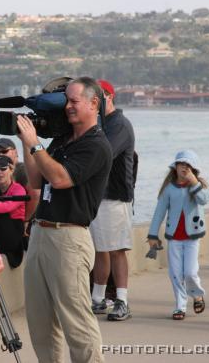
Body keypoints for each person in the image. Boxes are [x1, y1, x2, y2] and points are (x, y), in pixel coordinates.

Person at [17, 77, 112, 363]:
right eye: (65, 101)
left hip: (68, 238)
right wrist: (27, 141)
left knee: (76, 322)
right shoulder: (61, 141)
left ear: (94, 104)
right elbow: (36, 180)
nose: (67, 107)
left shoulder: (96, 145)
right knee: (41, 324)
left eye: (74, 101)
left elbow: (59, 179)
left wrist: (36, 145)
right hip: (41, 233)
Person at [89, 79, 136, 321]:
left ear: (108, 96)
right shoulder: (100, 123)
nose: (93, 101)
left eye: (97, 96)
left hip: (116, 198)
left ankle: (122, 301)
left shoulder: (119, 125)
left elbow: (102, 154)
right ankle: (98, 299)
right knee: (100, 249)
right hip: (99, 197)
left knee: (116, 250)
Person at [146, 150, 208, 320]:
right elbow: (159, 212)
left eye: (188, 165)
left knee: (189, 272)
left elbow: (204, 200)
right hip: (174, 238)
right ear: (175, 167)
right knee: (175, 273)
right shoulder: (169, 189)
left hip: (192, 237)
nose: (184, 167)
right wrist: (152, 235)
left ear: (193, 169)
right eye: (181, 164)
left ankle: (197, 295)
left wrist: (194, 182)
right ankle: (180, 305)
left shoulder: (197, 187)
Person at [0, 138, 40, 248]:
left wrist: (26, 220)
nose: (1, 154)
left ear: (15, 152)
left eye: (4, 151)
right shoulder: (3, 170)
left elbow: (35, 194)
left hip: (27, 222)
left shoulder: (22, 169)